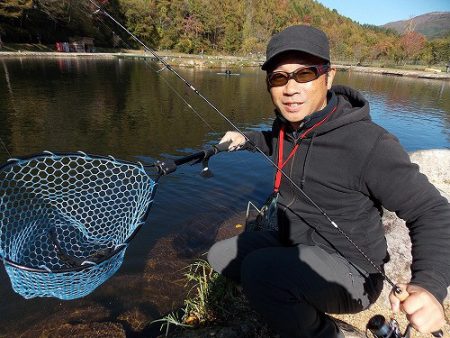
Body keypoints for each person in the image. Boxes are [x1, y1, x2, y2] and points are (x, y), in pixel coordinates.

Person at [207, 25, 449, 338]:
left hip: (354, 271)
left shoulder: (368, 144)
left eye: (304, 74)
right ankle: (297, 300)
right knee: (221, 256)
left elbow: (431, 210)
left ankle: (326, 332)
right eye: (279, 77)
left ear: (329, 76)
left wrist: (428, 285)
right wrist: (246, 139)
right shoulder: (289, 128)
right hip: (296, 243)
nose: (290, 88)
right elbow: (276, 143)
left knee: (260, 272)